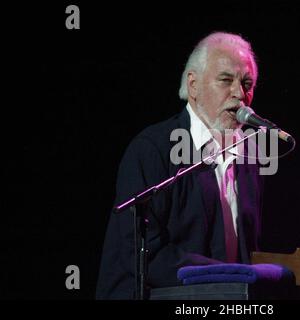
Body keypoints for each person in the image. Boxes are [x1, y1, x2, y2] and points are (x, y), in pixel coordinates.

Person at [96, 32, 264, 299]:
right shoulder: (153, 148)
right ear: (193, 85)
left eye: (247, 83)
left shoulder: (249, 156)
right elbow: (142, 251)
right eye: (225, 80)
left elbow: (249, 248)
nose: (239, 93)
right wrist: (225, 276)